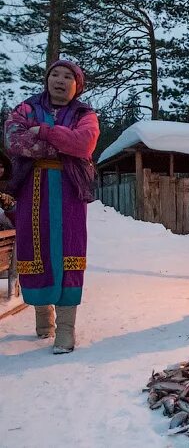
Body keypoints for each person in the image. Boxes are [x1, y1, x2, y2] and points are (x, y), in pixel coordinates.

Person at [3, 60, 99, 354]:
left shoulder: (85, 114)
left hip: (69, 190)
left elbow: (84, 144)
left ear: (77, 84)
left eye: (67, 76)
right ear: (47, 80)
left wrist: (42, 131)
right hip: (32, 188)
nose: (60, 80)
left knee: (68, 251)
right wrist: (62, 143)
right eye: (54, 74)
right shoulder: (26, 108)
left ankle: (66, 330)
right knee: (37, 248)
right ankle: (44, 320)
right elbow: (12, 140)